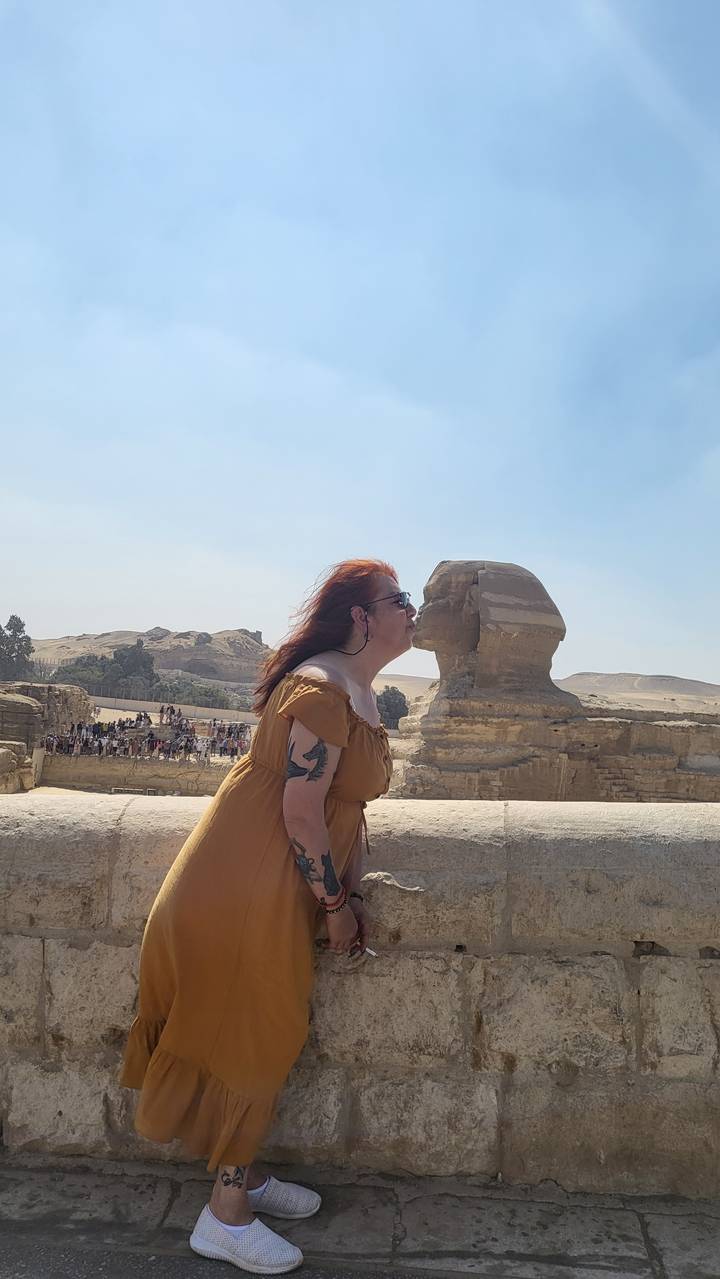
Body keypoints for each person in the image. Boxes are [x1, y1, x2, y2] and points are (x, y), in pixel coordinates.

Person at [118, 559, 416, 1274]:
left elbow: (344, 807)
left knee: (253, 1025)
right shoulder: (321, 689)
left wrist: (346, 888)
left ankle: (242, 1172)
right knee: (260, 1030)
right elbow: (302, 811)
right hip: (243, 888)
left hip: (271, 884)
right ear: (362, 617)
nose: (412, 610)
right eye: (399, 599)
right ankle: (224, 1216)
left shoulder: (357, 691)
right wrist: (335, 905)